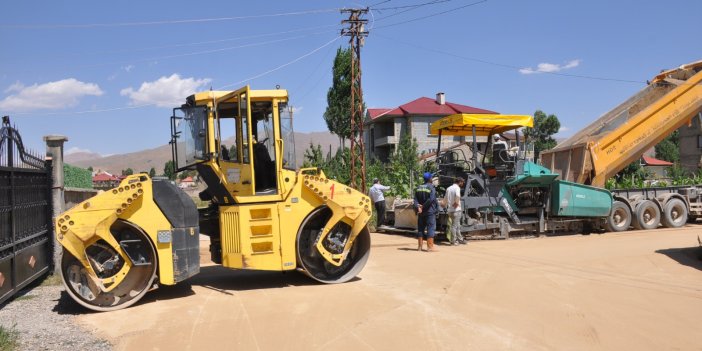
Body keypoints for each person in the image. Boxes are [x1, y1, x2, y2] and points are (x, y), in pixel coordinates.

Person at [414, 172, 439, 252]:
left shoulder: (419, 187)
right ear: (430, 179)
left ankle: (420, 247)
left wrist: (418, 207)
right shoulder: (431, 187)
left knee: (420, 229)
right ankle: (430, 247)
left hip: (421, 212)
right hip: (429, 211)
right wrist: (423, 206)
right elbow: (431, 200)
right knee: (430, 228)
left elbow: (415, 199)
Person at [445, 177, 466, 245]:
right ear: (459, 182)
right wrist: (456, 204)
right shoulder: (457, 188)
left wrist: (443, 204)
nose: (462, 184)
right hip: (456, 210)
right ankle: (453, 241)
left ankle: (460, 239)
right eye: (462, 182)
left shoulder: (448, 188)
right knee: (454, 226)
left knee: (457, 225)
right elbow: (457, 196)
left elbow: (445, 199)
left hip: (450, 211)